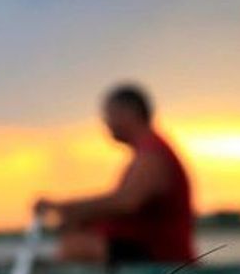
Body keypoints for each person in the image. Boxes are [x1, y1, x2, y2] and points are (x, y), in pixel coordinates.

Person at [35, 82, 196, 264]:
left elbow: (126, 202)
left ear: (127, 113)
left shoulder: (153, 153)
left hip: (161, 257)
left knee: (76, 248)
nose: (106, 122)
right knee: (74, 239)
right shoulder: (148, 151)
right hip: (138, 250)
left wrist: (65, 208)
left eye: (109, 114)